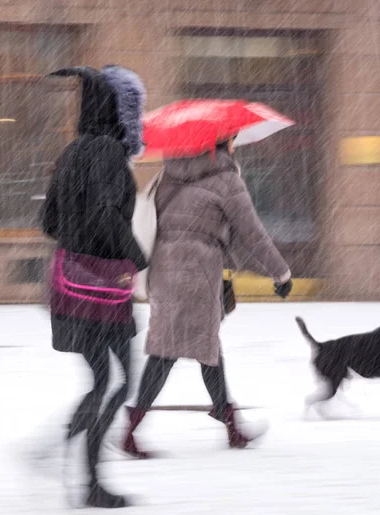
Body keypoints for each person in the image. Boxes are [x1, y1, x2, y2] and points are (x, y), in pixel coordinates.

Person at [122, 137, 293, 458]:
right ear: (219, 146)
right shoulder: (227, 179)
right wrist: (280, 272)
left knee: (202, 343)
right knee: (168, 351)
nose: (234, 148)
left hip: (164, 268)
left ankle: (229, 420)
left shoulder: (170, 174)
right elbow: (252, 232)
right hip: (196, 272)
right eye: (231, 142)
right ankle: (131, 428)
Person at [41, 65, 147, 508]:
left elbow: (47, 221)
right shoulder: (107, 153)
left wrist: (76, 235)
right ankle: (91, 481)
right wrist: (136, 255)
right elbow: (105, 213)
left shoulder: (72, 151)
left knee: (104, 379)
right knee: (118, 382)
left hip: (69, 281)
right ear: (122, 115)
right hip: (100, 288)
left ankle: (70, 455)